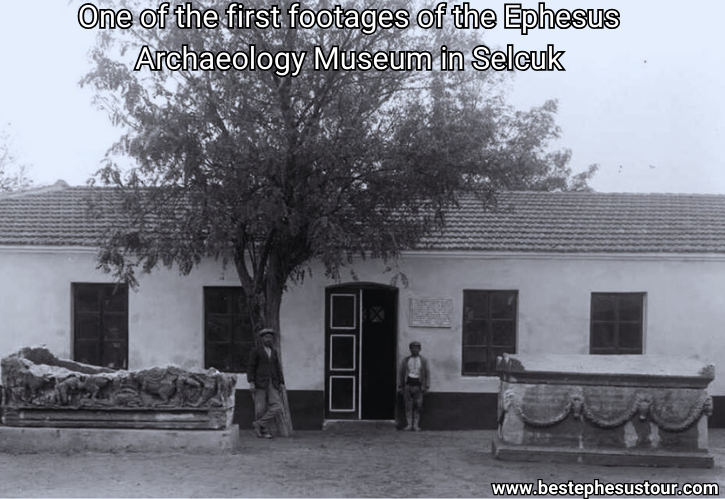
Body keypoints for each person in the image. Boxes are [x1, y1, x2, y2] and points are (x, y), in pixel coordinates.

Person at [247, 328, 285, 439]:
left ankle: (259, 423)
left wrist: (281, 382)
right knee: (260, 409)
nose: (268, 339)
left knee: (277, 406)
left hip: (272, 383)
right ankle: (263, 431)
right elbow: (251, 367)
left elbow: (278, 368)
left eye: (270, 337)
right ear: (262, 339)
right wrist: (251, 382)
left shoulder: (274, 351)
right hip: (259, 383)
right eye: (266, 337)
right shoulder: (256, 351)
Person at [397, 340, 430, 431]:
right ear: (410, 349)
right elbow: (401, 373)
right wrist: (401, 386)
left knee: (418, 406)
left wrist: (426, 386)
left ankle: (416, 425)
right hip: (408, 385)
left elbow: (427, 373)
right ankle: (409, 425)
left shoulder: (423, 361)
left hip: (419, 386)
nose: (415, 350)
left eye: (417, 348)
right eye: (413, 348)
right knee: (408, 405)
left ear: (420, 349)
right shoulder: (406, 360)